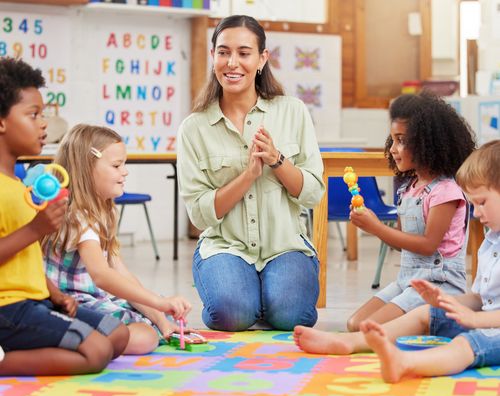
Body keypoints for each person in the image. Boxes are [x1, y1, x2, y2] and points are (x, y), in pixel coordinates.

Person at [294, 140, 500, 383]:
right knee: (426, 313)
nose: (475, 213)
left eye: (482, 203)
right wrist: (446, 302)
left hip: (488, 329)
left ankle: (405, 363)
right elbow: (480, 298)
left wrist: (475, 320)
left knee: (467, 344)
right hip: (485, 322)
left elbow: (482, 312)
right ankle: (349, 342)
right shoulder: (491, 242)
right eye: (473, 204)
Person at [177, 15, 325, 332]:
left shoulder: (293, 111)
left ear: (262, 59)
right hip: (225, 247)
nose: (233, 63)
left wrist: (277, 160)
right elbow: (200, 216)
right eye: (223, 52)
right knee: (232, 316)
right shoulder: (194, 128)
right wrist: (247, 176)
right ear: (213, 57)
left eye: (244, 53)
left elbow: (313, 193)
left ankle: (265, 297)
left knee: (291, 317)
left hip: (285, 246)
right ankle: (246, 297)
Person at [0, 57, 129, 375]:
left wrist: (54, 294)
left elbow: (24, 259)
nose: (44, 124)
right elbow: (25, 240)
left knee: (117, 332)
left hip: (36, 300)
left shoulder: (18, 186)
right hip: (7, 308)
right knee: (96, 351)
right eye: (33, 115)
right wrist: (36, 228)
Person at [43, 124, 192, 354]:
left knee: (152, 316)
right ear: (86, 168)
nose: (125, 171)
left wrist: (161, 318)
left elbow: (119, 271)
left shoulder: (104, 210)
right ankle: (73, 340)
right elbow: (102, 276)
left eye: (124, 164)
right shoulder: (77, 217)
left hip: (94, 296)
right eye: (116, 165)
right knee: (144, 337)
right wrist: (159, 305)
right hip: (71, 302)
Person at [355, 92, 477, 332]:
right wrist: (371, 221)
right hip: (408, 281)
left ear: (426, 143)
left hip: (438, 284)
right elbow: (402, 244)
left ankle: (435, 319)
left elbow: (428, 245)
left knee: (367, 329)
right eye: (392, 140)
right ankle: (418, 322)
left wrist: (375, 227)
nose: (392, 149)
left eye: (401, 140)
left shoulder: (446, 191)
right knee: (354, 323)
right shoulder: (408, 189)